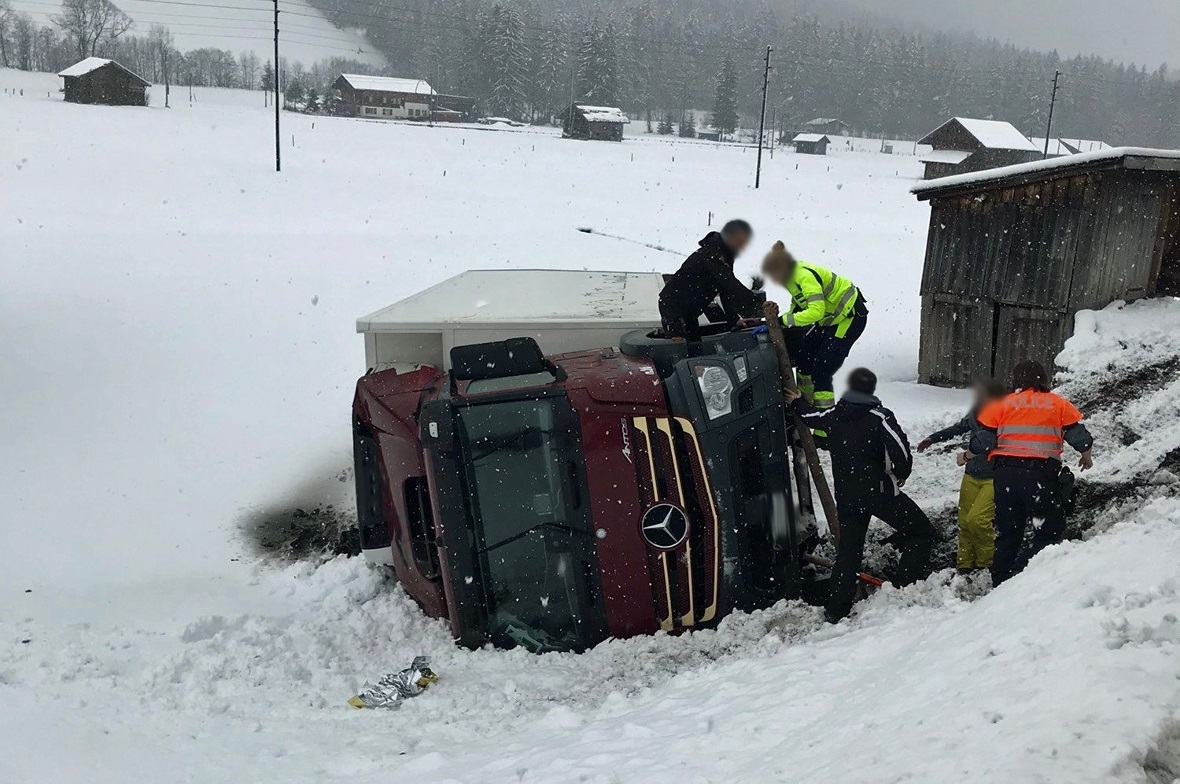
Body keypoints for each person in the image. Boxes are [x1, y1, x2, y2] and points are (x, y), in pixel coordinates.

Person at [788, 367, 935, 623]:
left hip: (847, 496)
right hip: (879, 493)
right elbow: (901, 450)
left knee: (849, 552)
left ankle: (836, 609)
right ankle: (903, 586)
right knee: (921, 532)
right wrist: (902, 473)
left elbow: (812, 415)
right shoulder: (879, 417)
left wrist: (797, 401)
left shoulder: (834, 414)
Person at [970, 360, 1095, 587]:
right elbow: (1080, 436)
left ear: (1016, 379)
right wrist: (1086, 454)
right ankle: (1022, 574)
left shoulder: (1003, 404)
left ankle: (1000, 581)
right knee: (1049, 528)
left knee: (1008, 532)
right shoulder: (1057, 404)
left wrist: (967, 455)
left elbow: (984, 441)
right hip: (1039, 476)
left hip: (1005, 475)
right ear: (1043, 379)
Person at [761, 242, 868, 438]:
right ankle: (805, 407)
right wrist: (780, 324)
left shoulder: (803, 275)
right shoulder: (790, 279)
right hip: (830, 320)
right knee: (803, 358)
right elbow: (800, 305)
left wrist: (783, 320)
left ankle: (824, 429)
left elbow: (815, 311)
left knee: (822, 369)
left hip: (849, 318)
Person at [916, 378, 1009, 572]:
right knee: (964, 522)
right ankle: (965, 563)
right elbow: (960, 427)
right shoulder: (977, 412)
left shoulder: (1003, 416)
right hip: (972, 475)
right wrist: (933, 438)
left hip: (995, 476)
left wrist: (966, 455)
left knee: (978, 520)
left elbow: (986, 441)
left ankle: (986, 563)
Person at [658, 220, 764, 343]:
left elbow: (725, 290)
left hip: (690, 311)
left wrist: (734, 319)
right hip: (673, 306)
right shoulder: (713, 252)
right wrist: (756, 303)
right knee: (679, 348)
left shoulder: (726, 256)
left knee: (695, 347)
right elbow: (729, 282)